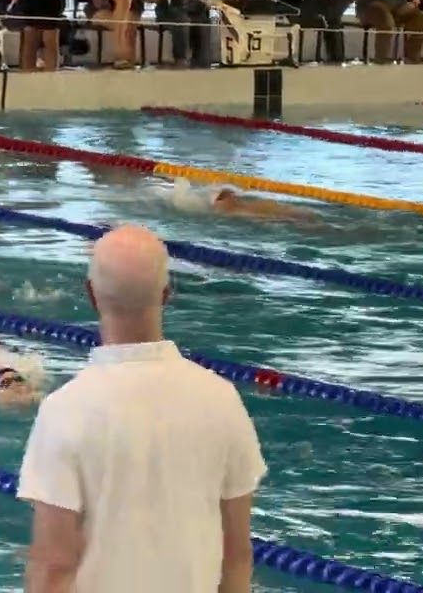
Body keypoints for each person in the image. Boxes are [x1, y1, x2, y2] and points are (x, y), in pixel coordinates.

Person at [17, 225, 265, 593]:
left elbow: (55, 565)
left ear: (91, 295)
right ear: (167, 294)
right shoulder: (222, 399)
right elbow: (237, 556)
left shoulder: (65, 411)